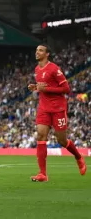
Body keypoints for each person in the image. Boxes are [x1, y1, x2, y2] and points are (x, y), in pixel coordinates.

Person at [27, 44, 86, 182]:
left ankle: (78, 157)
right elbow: (43, 88)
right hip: (43, 108)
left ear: (47, 54)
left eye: (40, 50)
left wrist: (46, 89)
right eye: (36, 50)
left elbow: (66, 88)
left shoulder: (54, 69)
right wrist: (35, 87)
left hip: (58, 108)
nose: (37, 52)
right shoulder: (37, 69)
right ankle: (43, 174)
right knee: (41, 136)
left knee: (61, 140)